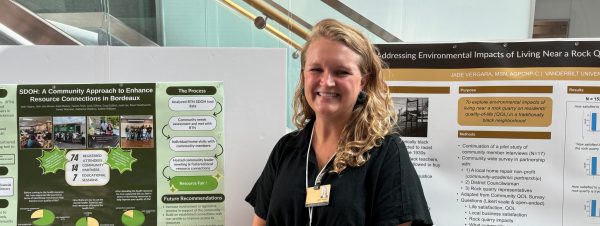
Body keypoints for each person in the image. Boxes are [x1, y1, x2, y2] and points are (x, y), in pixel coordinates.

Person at [246, 19, 433, 226]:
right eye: (316, 69)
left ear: (363, 81)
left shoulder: (386, 152)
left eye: (341, 72)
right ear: (303, 75)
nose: (326, 82)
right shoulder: (285, 149)